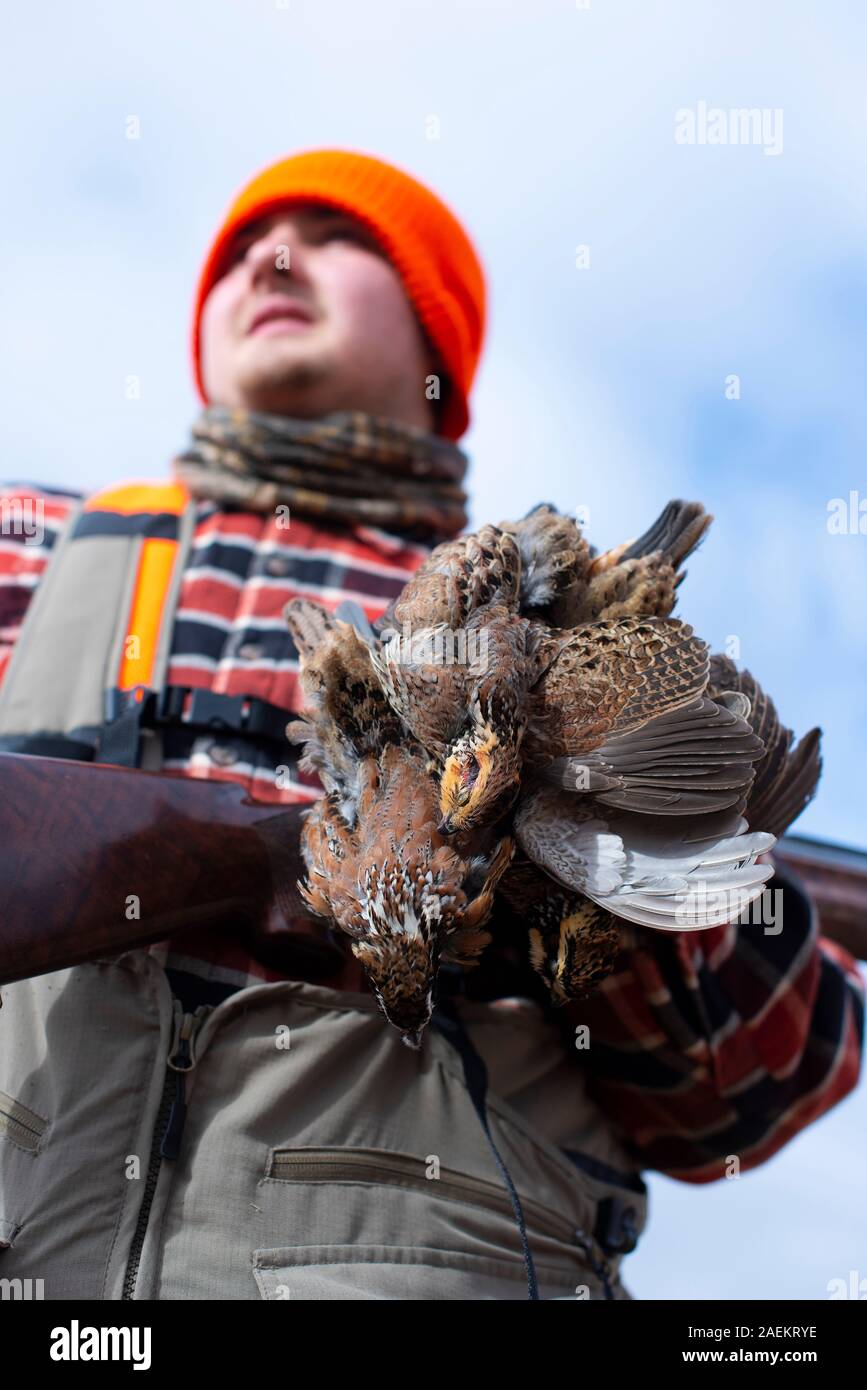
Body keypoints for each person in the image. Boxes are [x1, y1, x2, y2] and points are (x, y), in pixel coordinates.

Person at [0, 149, 862, 1301]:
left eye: (343, 234)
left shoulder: (556, 627)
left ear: (436, 338)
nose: (273, 252)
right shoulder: (32, 548)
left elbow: (750, 1097)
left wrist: (626, 844)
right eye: (246, 242)